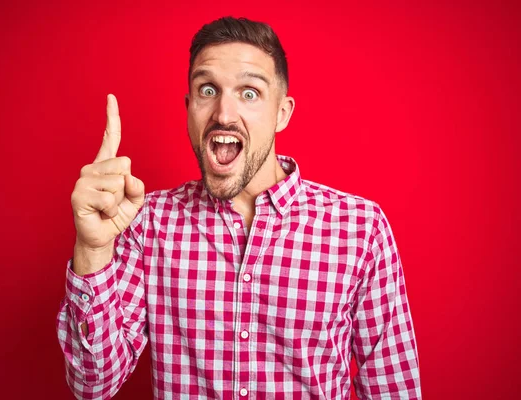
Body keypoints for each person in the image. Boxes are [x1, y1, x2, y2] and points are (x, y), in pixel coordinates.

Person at [56, 16, 422, 400]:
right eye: (208, 89)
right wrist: (93, 250)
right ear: (188, 108)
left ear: (282, 113)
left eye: (249, 93)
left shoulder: (360, 230)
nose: (224, 114)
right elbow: (92, 384)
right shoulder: (147, 222)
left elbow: (391, 390)